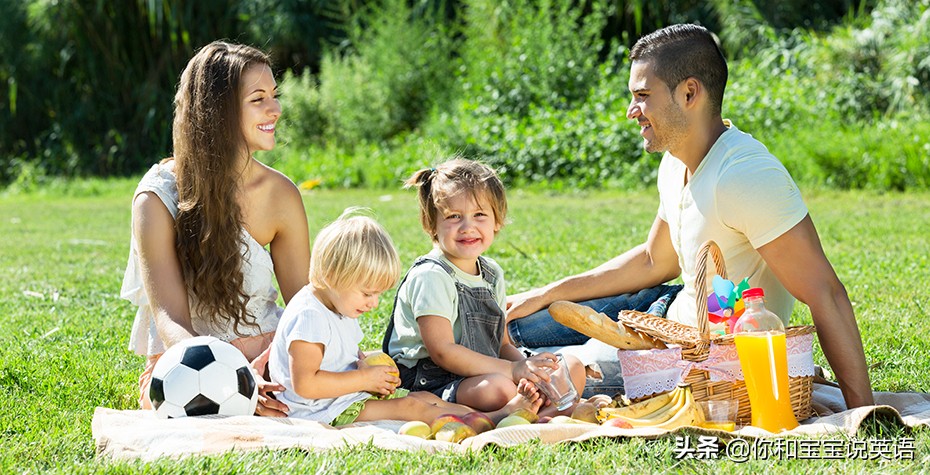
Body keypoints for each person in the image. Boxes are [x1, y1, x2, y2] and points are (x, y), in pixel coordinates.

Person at [505, 24, 874, 409]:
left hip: (695, 360)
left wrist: (863, 411)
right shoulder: (674, 161)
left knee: (542, 372)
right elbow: (654, 260)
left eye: (643, 96)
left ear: (689, 92)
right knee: (509, 325)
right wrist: (545, 293)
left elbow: (826, 293)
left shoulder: (746, 176)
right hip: (662, 311)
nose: (632, 112)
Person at [121, 41, 309, 417]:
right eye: (258, 99)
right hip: (186, 363)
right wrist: (232, 382)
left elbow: (305, 306)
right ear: (218, 111)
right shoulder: (157, 197)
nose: (275, 109)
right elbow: (171, 320)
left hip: (266, 355)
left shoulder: (281, 194)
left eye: (274, 95)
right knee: (190, 405)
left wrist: (273, 367)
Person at [267, 210, 541, 425]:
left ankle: (493, 414)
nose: (373, 303)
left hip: (336, 399)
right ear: (332, 276)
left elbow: (335, 353)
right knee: (411, 407)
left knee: (421, 398)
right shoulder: (310, 316)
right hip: (318, 411)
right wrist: (364, 381)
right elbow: (306, 383)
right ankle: (495, 419)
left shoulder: (336, 302)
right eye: (367, 293)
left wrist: (365, 366)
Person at [382, 158, 586, 415]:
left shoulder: (491, 273)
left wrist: (529, 367)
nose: (468, 227)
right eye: (454, 217)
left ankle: (533, 410)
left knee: (571, 366)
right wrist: (513, 372)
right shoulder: (431, 276)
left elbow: (500, 346)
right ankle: (536, 411)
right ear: (431, 223)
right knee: (498, 389)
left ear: (496, 221)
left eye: (479, 215)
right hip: (433, 381)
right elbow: (443, 352)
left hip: (487, 369)